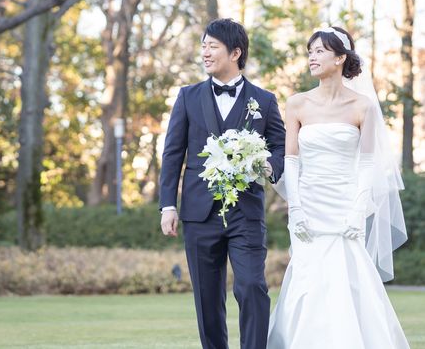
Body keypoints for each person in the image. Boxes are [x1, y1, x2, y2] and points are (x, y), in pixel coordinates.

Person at [267, 26, 409, 348]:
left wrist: (358, 209)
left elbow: (368, 163)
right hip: (309, 204)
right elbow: (292, 161)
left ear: (340, 58)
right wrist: (295, 208)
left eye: (319, 51)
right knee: (308, 277)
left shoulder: (362, 106)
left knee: (349, 275)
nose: (312, 57)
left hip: (345, 204)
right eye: (310, 52)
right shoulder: (297, 104)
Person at [159, 18, 285, 349]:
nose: (205, 52)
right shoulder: (187, 97)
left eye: (212, 46)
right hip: (199, 213)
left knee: (252, 286)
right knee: (207, 298)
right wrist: (168, 205)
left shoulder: (264, 101)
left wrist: (268, 164)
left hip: (246, 212)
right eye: (203, 46)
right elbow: (173, 154)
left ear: (235, 52)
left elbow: (281, 147)